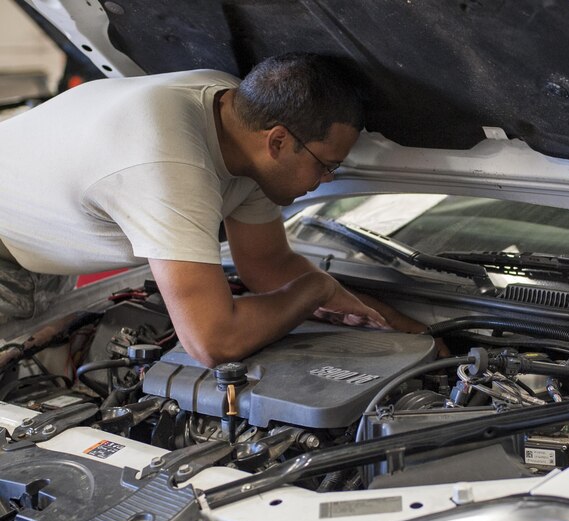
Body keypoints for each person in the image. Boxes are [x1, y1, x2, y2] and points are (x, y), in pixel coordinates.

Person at [0, 53, 425, 366]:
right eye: (327, 165)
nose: (328, 179)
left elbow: (268, 265)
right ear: (278, 142)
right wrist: (315, 290)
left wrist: (405, 327)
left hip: (30, 239)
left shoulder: (239, 118)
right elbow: (212, 343)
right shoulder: (169, 166)